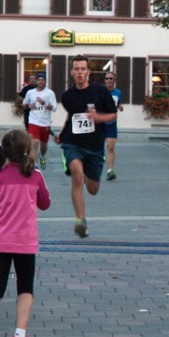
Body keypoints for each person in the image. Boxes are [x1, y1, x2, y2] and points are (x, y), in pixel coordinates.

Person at [0, 129, 51, 337]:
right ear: (27, 150)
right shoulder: (35, 176)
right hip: (25, 241)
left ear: (4, 151)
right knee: (25, 288)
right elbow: (45, 203)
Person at [59, 55, 117, 238]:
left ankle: (84, 171)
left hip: (94, 147)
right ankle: (80, 220)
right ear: (71, 72)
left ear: (88, 72)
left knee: (93, 189)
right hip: (72, 143)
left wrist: (98, 118)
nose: (79, 73)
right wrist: (61, 134)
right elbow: (71, 117)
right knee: (76, 174)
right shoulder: (67, 96)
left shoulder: (100, 92)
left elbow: (113, 116)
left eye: (83, 69)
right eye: (76, 69)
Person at [22, 72, 57, 168]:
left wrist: (44, 103)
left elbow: (54, 108)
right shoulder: (30, 93)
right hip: (33, 121)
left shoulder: (50, 93)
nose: (41, 81)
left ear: (45, 81)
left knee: (43, 145)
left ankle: (42, 155)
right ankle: (34, 164)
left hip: (45, 122)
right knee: (34, 143)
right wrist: (29, 106)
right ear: (36, 81)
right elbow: (24, 105)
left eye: (42, 80)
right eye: (39, 80)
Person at [103, 71, 123, 181]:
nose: (109, 80)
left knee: (110, 147)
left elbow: (118, 103)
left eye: (111, 78)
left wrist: (120, 107)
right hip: (100, 123)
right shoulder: (100, 92)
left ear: (114, 81)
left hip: (112, 123)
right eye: (107, 78)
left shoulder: (118, 92)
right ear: (104, 81)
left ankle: (110, 170)